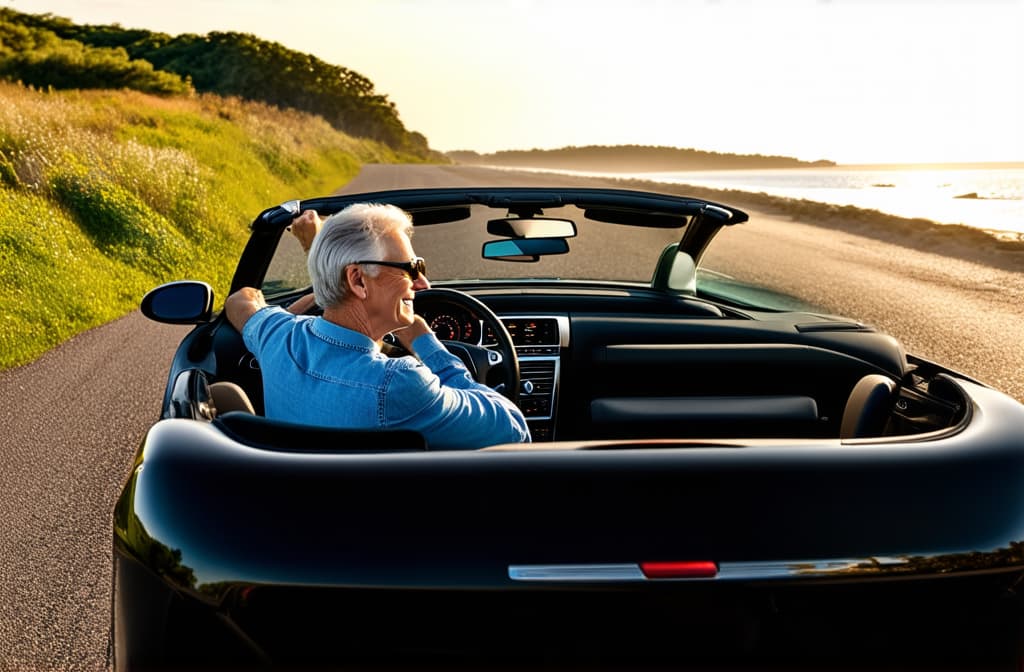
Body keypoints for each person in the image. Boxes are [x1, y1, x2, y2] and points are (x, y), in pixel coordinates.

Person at [225, 203, 530, 450]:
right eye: (411, 269)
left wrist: (319, 280)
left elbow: (240, 302)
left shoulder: (277, 336)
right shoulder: (399, 385)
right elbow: (513, 429)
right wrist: (425, 341)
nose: (423, 282)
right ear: (358, 280)